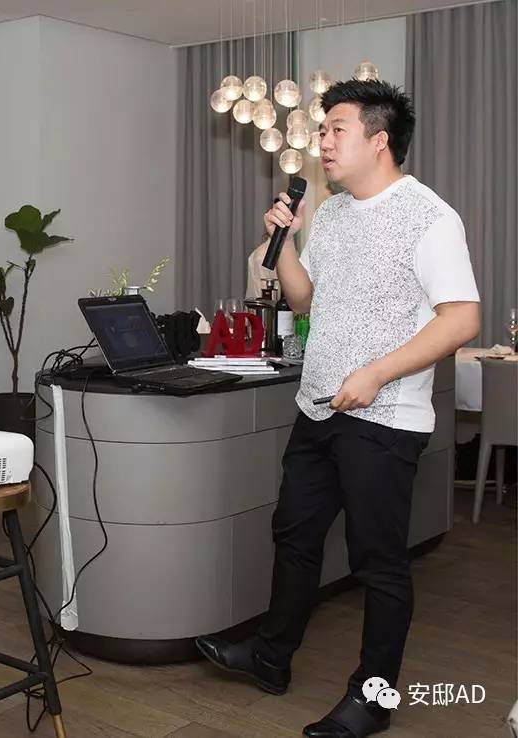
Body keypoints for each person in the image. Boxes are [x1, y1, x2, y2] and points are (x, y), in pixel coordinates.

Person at [195, 80, 480, 738]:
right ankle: (270, 657)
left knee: (378, 562)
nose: (321, 142)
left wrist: (376, 373)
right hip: (318, 408)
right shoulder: (332, 213)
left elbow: (462, 319)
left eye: (335, 130)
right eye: (321, 131)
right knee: (294, 537)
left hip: (384, 419)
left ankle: (373, 700)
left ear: (379, 140)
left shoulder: (429, 217)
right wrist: (287, 244)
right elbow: (306, 302)